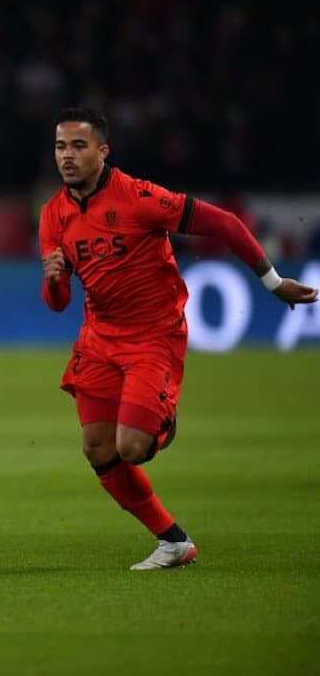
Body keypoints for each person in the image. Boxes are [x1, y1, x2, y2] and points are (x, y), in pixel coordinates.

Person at [39, 108, 318, 570]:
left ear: (103, 151)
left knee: (132, 447)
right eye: (60, 146)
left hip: (153, 335)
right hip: (99, 338)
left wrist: (273, 283)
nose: (67, 156)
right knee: (97, 448)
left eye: (78, 146)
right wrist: (52, 280)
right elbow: (58, 301)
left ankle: (161, 419)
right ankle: (173, 541)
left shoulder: (139, 197)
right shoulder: (53, 215)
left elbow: (225, 224)